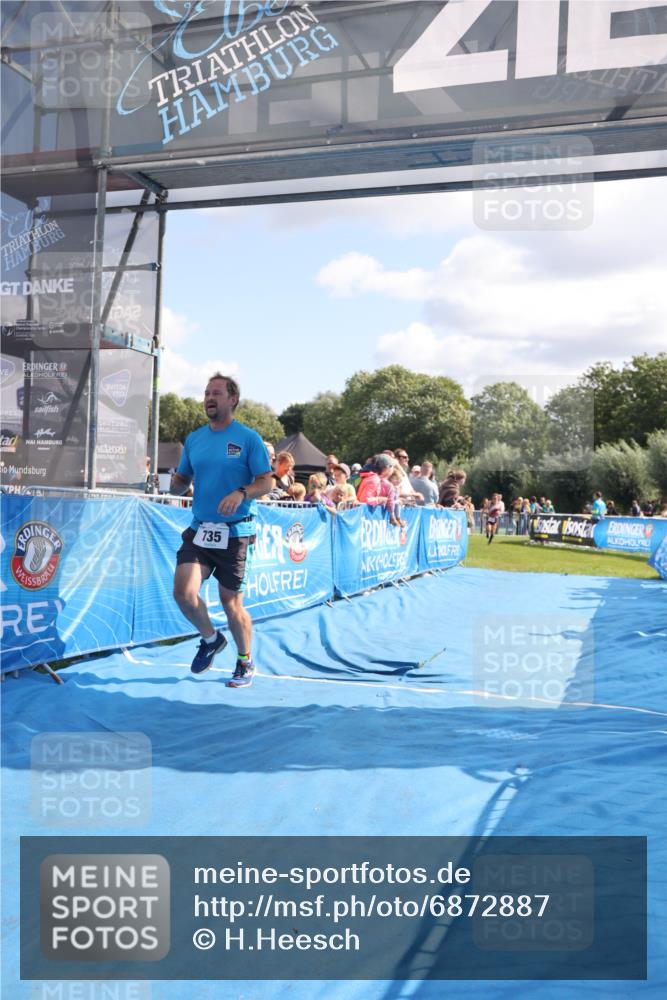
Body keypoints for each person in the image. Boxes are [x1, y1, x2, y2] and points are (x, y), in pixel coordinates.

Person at [171, 374, 273, 688]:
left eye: (216, 393)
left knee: (230, 601)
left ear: (233, 399)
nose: (209, 398)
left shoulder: (248, 438)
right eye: (206, 393)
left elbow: (266, 481)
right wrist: (174, 483)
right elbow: (182, 482)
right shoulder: (195, 439)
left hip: (236, 532)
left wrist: (241, 492)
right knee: (184, 594)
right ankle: (211, 639)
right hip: (201, 528)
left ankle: (245, 661)